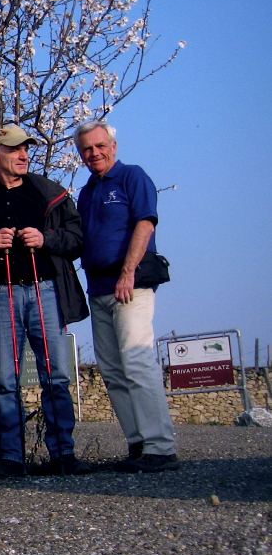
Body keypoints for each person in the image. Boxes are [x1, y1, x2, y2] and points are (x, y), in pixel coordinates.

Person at [0, 124, 91, 478]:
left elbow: (77, 238)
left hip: (44, 289)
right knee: (4, 378)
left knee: (56, 375)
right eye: (14, 148)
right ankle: (11, 457)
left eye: (26, 149)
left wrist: (46, 238)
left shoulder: (49, 192)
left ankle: (63, 453)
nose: (23, 155)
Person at [74, 121, 178, 472]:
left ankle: (160, 446)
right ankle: (138, 442)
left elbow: (145, 224)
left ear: (113, 147)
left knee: (136, 361)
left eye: (100, 146)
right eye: (87, 149)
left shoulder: (133, 177)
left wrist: (128, 271)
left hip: (129, 283)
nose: (95, 153)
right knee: (112, 369)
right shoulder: (86, 192)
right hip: (98, 287)